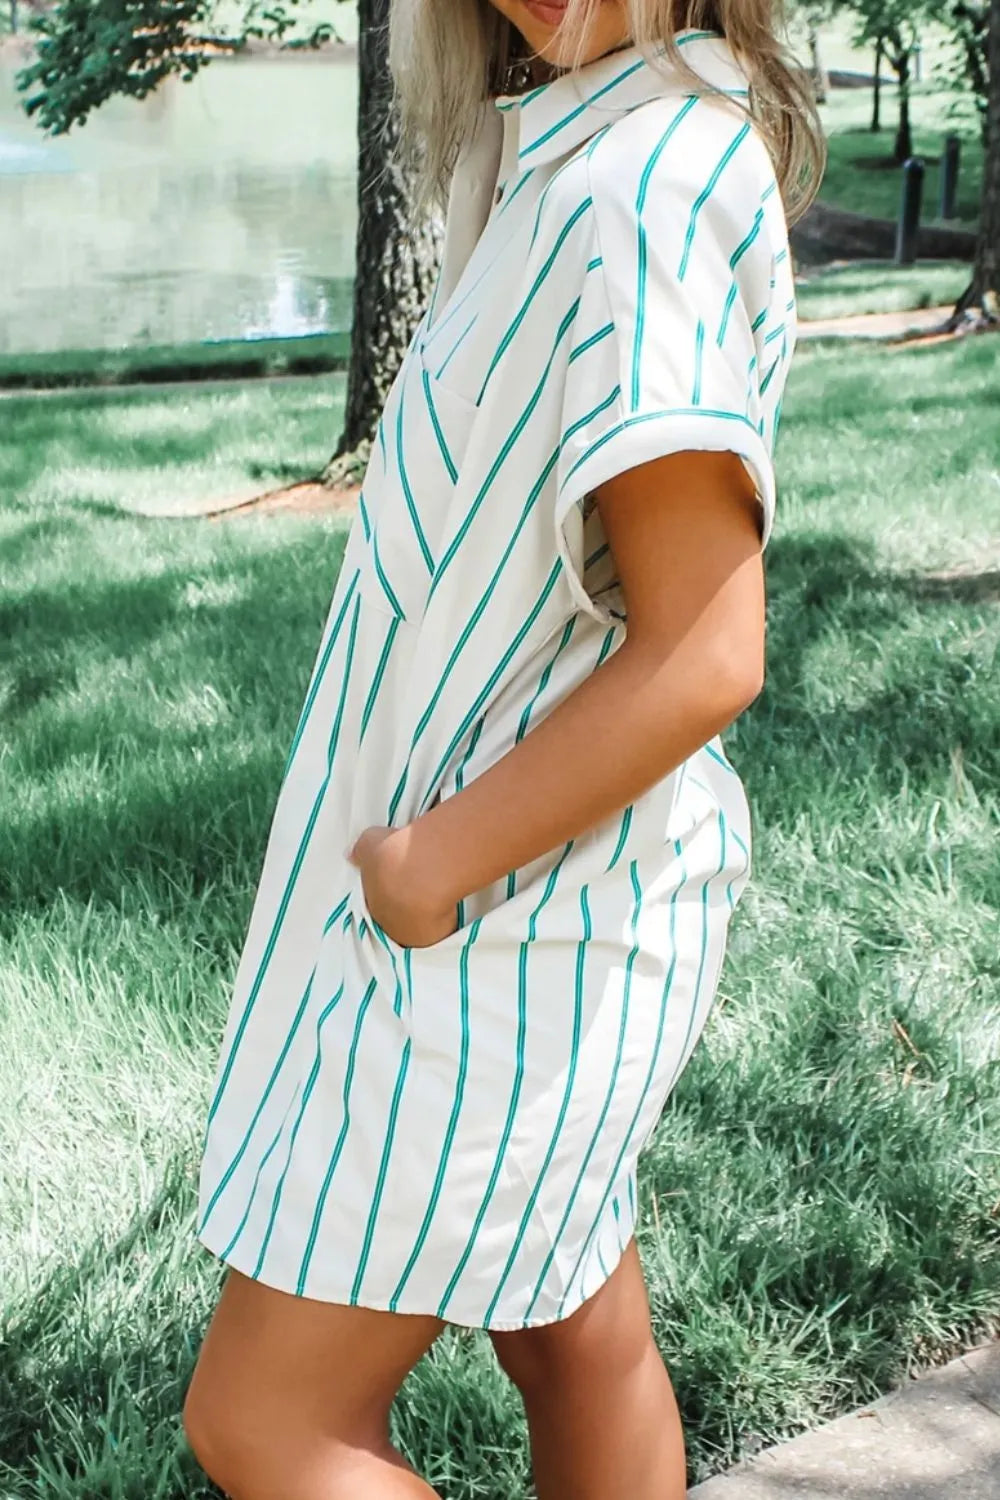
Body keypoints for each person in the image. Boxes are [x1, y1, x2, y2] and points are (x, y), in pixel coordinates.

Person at [184, 2, 823, 1496]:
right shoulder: (584, 148)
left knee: (266, 1421)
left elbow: (710, 643)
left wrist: (424, 868)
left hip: (507, 924)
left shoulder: (642, 184)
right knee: (568, 1325)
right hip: (534, 910)